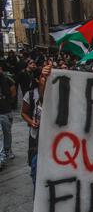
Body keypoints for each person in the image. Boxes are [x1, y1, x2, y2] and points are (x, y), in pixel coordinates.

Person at [21, 64, 52, 192]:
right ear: (37, 79)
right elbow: (23, 112)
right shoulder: (30, 95)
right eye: (44, 77)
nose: (47, 79)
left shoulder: (55, 93)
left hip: (52, 139)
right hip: (36, 140)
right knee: (36, 168)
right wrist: (30, 121)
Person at [0, 62, 17, 168]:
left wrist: (10, 101)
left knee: (7, 132)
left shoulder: (6, 78)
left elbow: (13, 89)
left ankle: (7, 150)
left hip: (6, 110)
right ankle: (1, 157)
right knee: (1, 134)